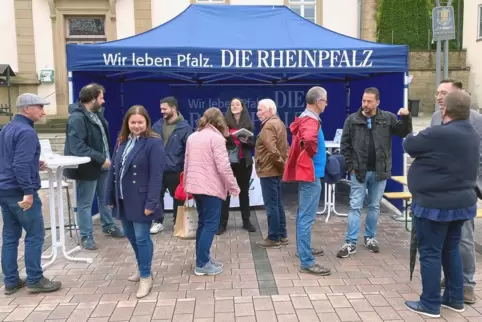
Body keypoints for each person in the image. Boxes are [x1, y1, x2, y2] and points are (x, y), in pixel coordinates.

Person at [403, 90, 479, 318]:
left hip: (435, 204)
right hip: (462, 203)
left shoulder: (438, 134)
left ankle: (429, 303)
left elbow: (409, 144)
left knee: (430, 252)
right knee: (450, 249)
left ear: (445, 110)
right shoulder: (473, 133)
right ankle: (455, 299)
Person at [338, 87, 412, 258]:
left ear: (377, 102)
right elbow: (345, 146)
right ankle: (350, 242)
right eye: (364, 100)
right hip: (359, 172)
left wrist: (406, 117)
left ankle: (370, 237)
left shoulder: (388, 118)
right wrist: (351, 167)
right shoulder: (352, 119)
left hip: (380, 171)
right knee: (355, 206)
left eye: (369, 101)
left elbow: (404, 132)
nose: (365, 104)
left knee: (374, 206)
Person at [0, 93, 62, 294]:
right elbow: (19, 163)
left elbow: (9, 158)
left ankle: (10, 281)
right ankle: (35, 279)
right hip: (20, 191)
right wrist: (28, 192)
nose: (43, 111)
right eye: (39, 107)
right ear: (27, 109)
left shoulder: (7, 128)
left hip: (5, 189)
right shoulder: (27, 132)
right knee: (35, 234)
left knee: (10, 236)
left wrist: (35, 163)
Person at [105, 105, 165, 299]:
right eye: (133, 122)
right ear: (127, 123)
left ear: (147, 122)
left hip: (142, 200)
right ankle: (142, 268)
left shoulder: (153, 143)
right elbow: (113, 170)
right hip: (123, 199)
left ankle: (146, 277)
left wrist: (151, 203)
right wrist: (109, 196)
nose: (137, 126)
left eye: (140, 122)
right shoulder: (122, 140)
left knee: (142, 238)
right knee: (130, 237)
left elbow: (156, 176)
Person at [431, 80, 481, 304]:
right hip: (440, 189)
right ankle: (451, 276)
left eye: (444, 93)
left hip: (464, 188)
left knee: (464, 238)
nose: (439, 97)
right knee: (445, 237)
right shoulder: (435, 117)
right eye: (437, 93)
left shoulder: (476, 120)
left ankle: (468, 283)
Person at [64, 83, 124, 250]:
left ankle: (109, 225)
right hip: (88, 167)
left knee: (105, 199)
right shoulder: (77, 118)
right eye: (101, 98)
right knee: (85, 203)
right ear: (92, 99)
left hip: (103, 165)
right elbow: (77, 146)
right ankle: (86, 236)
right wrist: (99, 158)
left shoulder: (97, 114)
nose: (103, 101)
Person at [184, 107, 240, 276]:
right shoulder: (217, 138)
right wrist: (233, 186)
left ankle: (204, 259)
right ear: (219, 121)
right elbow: (223, 167)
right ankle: (202, 264)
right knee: (210, 225)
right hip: (211, 187)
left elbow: (186, 163)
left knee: (202, 223)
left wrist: (187, 186)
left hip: (196, 187)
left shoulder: (192, 137)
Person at [283, 88, 331, 276]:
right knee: (306, 217)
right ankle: (307, 261)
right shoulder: (311, 119)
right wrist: (311, 153)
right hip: (312, 174)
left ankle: (304, 250)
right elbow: (310, 140)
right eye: (325, 101)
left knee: (304, 215)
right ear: (319, 101)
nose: (326, 104)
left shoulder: (305, 118)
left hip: (309, 173)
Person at [151, 97, 192, 234]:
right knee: (156, 196)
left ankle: (178, 223)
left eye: (164, 108)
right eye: (161, 108)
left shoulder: (185, 127)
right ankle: (158, 222)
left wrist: (186, 169)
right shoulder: (156, 125)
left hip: (175, 170)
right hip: (157, 168)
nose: (162, 111)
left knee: (178, 197)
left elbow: (189, 150)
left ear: (173, 108)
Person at [217, 98, 256, 235]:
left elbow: (253, 144)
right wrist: (227, 137)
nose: (234, 106)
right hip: (228, 163)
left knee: (244, 192)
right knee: (225, 193)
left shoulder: (248, 123)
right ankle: (222, 223)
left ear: (242, 107)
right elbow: (219, 143)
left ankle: (246, 221)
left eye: (237, 104)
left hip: (244, 162)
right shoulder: (224, 123)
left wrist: (245, 141)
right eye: (232, 104)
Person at [254, 99, 289, 249]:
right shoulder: (279, 123)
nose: (257, 113)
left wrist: (281, 164)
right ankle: (282, 234)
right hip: (275, 169)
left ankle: (273, 237)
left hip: (269, 170)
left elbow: (273, 151)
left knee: (271, 205)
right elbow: (283, 148)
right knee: (278, 203)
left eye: (260, 109)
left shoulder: (268, 126)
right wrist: (283, 166)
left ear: (270, 111)